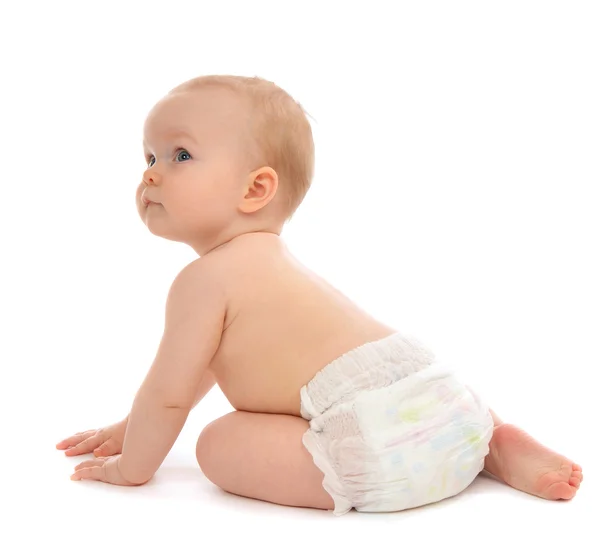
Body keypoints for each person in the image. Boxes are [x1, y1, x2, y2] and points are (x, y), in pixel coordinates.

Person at [56, 75, 583, 515]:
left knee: (216, 444)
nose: (150, 174)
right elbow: (205, 368)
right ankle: (492, 445)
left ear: (255, 189)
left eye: (181, 155)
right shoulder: (274, 264)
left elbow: (168, 394)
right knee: (412, 408)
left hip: (379, 447)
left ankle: (456, 457)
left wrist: (133, 466)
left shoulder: (203, 282)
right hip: (446, 399)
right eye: (149, 156)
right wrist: (131, 427)